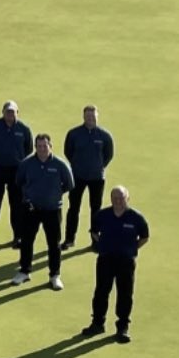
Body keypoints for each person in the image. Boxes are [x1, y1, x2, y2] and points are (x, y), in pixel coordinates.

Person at [81, 186, 149, 344]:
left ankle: (122, 327)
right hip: (106, 259)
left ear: (127, 198)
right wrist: (105, 245)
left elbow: (144, 237)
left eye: (121, 198)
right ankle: (97, 323)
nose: (118, 201)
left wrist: (131, 248)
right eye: (115, 198)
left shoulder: (136, 218)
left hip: (126, 261)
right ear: (111, 199)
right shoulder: (102, 215)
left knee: (125, 293)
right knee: (101, 292)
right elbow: (94, 232)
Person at [12, 134, 74, 289]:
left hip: (52, 210)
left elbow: (69, 184)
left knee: (54, 244)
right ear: (35, 147)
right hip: (31, 209)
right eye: (39, 146)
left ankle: (54, 275)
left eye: (44, 146)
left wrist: (54, 195)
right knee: (27, 241)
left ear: (50, 146)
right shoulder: (27, 164)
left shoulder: (60, 164)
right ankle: (25, 271)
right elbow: (19, 182)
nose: (41, 149)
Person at [0, 101, 34, 246]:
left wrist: (16, 158)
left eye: (12, 111)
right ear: (3, 112)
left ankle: (18, 235)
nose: (10, 114)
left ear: (17, 112)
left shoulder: (23, 129)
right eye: (7, 111)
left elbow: (28, 148)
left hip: (16, 169)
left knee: (17, 203)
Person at [63, 106, 116, 250]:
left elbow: (108, 155)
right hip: (77, 176)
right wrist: (77, 165)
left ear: (97, 117)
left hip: (97, 178)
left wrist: (99, 166)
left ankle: (95, 241)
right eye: (87, 116)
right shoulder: (74, 134)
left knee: (96, 210)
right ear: (83, 117)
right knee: (73, 208)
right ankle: (69, 239)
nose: (90, 119)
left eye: (92, 117)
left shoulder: (104, 136)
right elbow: (68, 151)